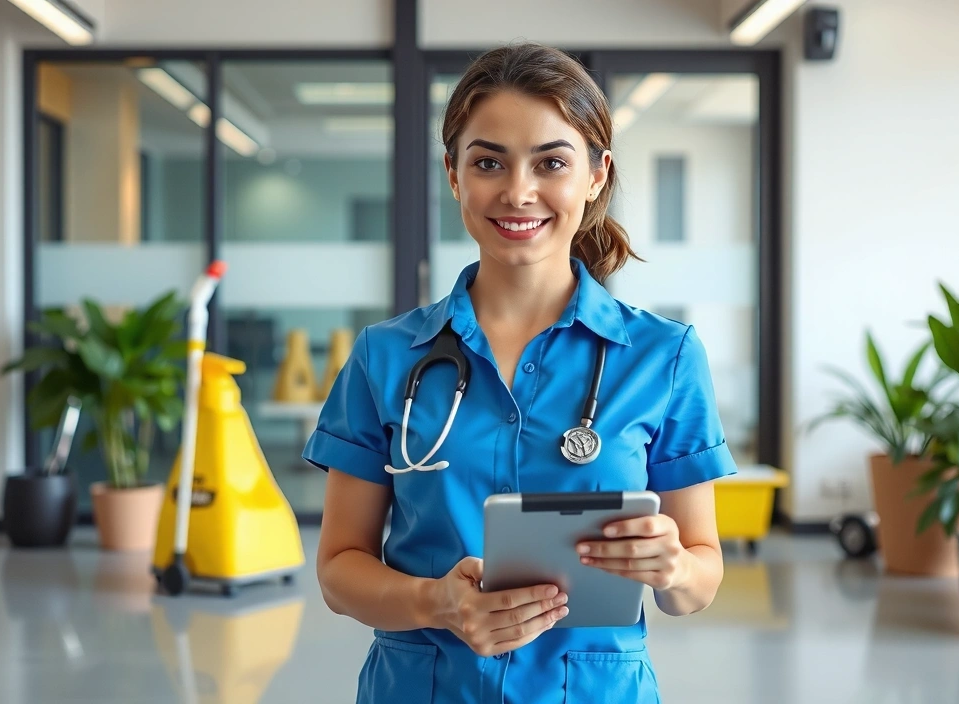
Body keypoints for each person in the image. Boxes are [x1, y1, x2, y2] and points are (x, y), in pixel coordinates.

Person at [304, 42, 738, 704]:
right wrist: (436, 603)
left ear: (596, 175)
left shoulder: (664, 358)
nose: (518, 192)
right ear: (453, 174)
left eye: (552, 162)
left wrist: (673, 566)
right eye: (488, 162)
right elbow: (338, 572)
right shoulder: (384, 357)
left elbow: (699, 582)